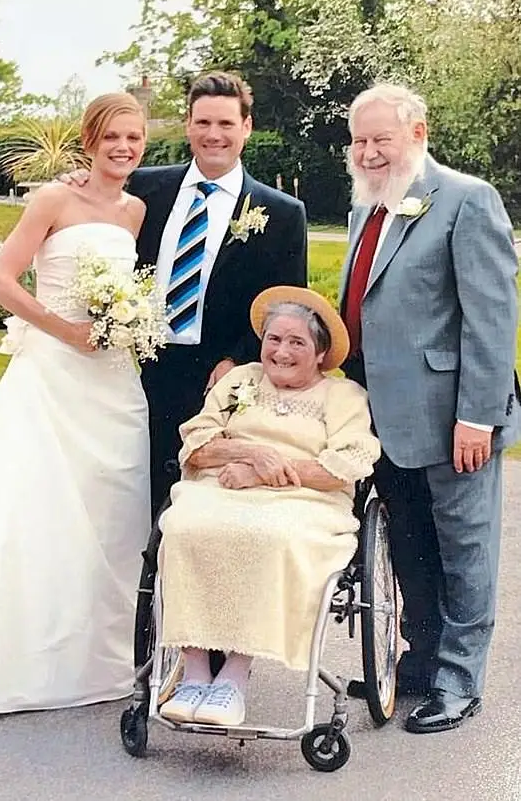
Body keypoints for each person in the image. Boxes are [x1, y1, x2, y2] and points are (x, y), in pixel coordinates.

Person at [0, 93, 152, 713]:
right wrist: (67, 332)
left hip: (114, 376)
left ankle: (97, 654)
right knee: (36, 510)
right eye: (112, 137)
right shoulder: (53, 199)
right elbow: (0, 280)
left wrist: (123, 328)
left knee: (112, 511)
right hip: (53, 374)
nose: (123, 148)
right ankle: (20, 657)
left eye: (134, 138)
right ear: (89, 140)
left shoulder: (136, 210)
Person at [339, 82, 519, 734]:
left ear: (417, 134)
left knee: (464, 550)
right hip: (381, 419)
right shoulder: (368, 209)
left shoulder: (467, 201)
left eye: (380, 138)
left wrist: (478, 414)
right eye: (359, 140)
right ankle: (418, 662)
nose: (368, 151)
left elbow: (491, 320)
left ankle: (459, 681)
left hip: (453, 419)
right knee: (410, 545)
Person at [63, 72, 307, 517]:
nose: (214, 135)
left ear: (246, 128)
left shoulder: (282, 213)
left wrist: (237, 360)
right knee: (128, 494)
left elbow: (285, 306)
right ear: (188, 125)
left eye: (226, 124)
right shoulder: (143, 187)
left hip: (220, 377)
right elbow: (96, 215)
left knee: (203, 504)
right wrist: (83, 178)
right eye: (203, 123)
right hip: (138, 369)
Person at [155, 286, 380, 726]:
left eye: (297, 342)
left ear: (320, 353)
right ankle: (196, 670)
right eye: (274, 339)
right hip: (221, 488)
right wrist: (250, 454)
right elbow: (197, 443)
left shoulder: (343, 397)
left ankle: (235, 676)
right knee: (183, 527)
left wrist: (263, 471)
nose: (281, 351)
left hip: (305, 501)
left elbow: (344, 467)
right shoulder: (240, 380)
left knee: (268, 536)